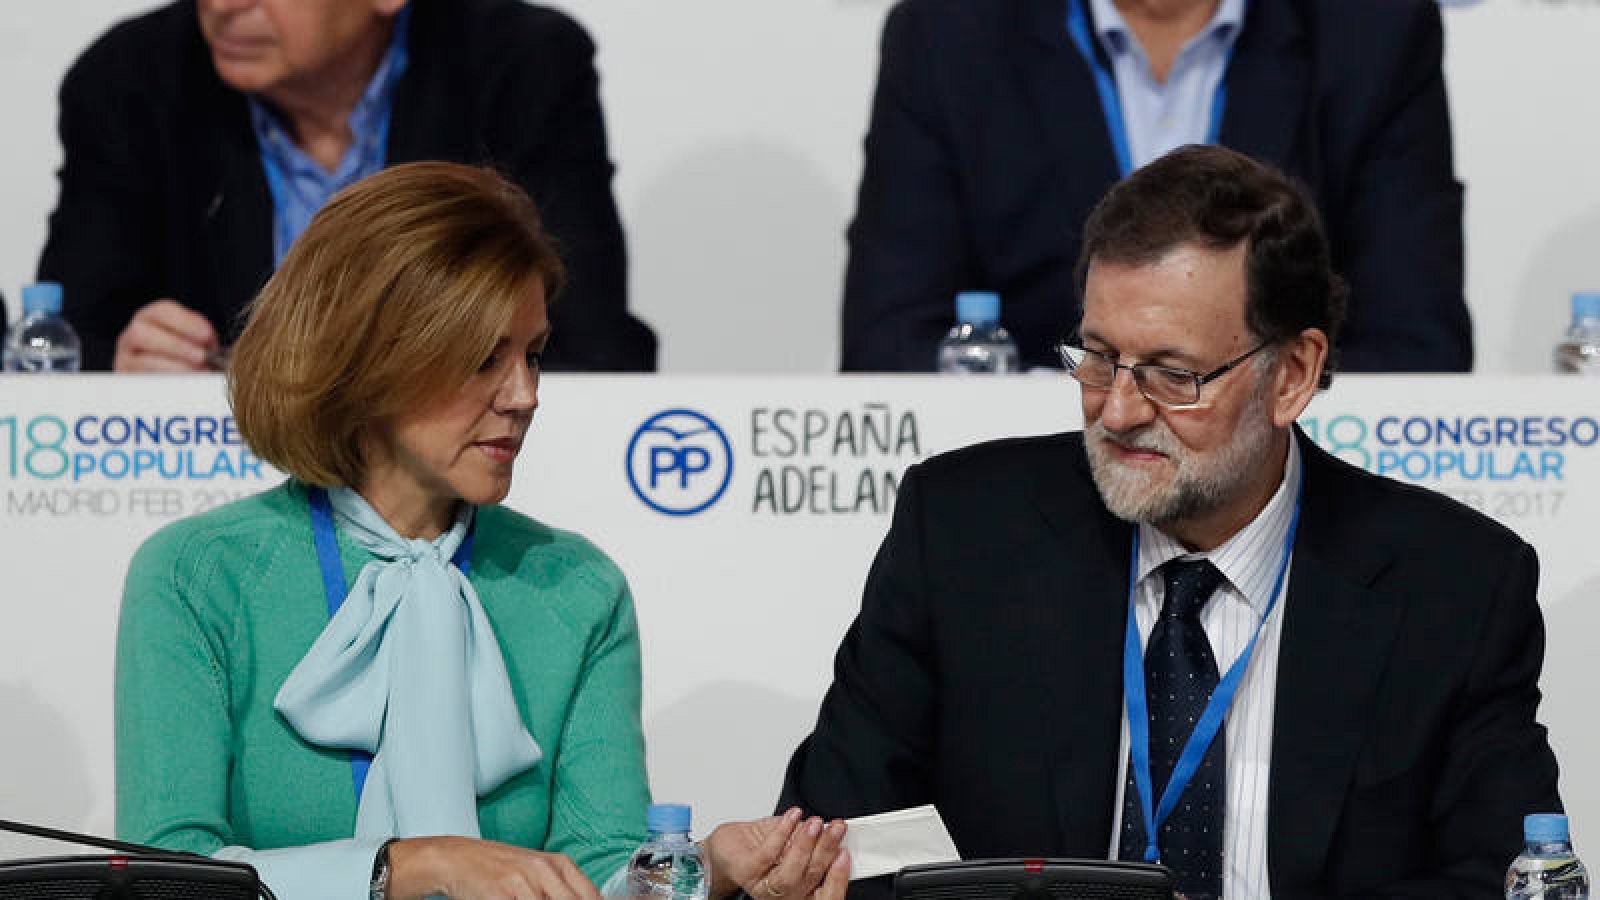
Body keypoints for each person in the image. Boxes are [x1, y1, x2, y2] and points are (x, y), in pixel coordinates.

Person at [784, 145, 1559, 898]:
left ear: (1292, 375)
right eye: (1095, 358)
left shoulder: (1455, 588)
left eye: (1171, 373)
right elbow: (834, 841)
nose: (1118, 410)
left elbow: (1506, 879)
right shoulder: (962, 533)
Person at [115, 163, 840, 900]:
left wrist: (702, 870)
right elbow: (165, 874)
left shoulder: (577, 588)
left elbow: (594, 874)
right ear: (367, 358)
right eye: (483, 358)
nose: (524, 395)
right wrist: (415, 866)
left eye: (533, 354)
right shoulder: (198, 576)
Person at [840, 0, 1471, 374]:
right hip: (1037, 519)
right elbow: (891, 344)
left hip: (1297, 514)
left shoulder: (1372, 33)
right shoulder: (949, 37)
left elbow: (1415, 348)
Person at [39, 0, 655, 373]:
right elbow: (60, 343)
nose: (224, 6)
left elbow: (584, 339)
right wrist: (125, 361)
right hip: (214, 491)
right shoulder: (130, 81)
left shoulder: (520, 67)